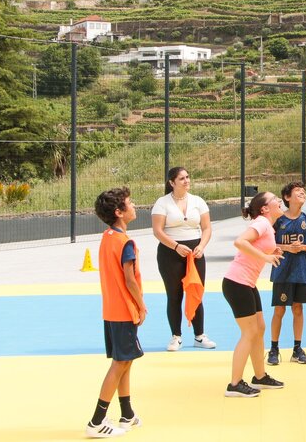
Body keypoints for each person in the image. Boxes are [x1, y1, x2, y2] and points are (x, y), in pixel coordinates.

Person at [86, 186, 148, 438]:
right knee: (120, 362)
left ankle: (127, 414)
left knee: (125, 361)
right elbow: (130, 279)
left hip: (111, 309)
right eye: (130, 203)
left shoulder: (107, 237)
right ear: (119, 212)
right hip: (124, 309)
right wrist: (141, 305)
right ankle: (96, 421)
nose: (134, 206)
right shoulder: (125, 242)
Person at [222, 191, 287, 397]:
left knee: (259, 328)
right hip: (236, 283)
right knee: (249, 333)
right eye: (274, 199)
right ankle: (234, 384)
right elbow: (240, 242)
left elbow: (257, 246)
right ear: (265, 208)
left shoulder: (267, 225)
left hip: (247, 283)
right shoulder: (261, 222)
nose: (278, 201)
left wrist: (271, 252)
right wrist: (266, 258)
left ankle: (260, 377)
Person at [151, 166, 216, 351]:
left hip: (195, 252)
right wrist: (176, 246)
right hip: (170, 253)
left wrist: (201, 246)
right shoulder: (162, 203)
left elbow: (207, 228)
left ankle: (199, 336)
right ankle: (176, 336)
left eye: (188, 177)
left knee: (195, 291)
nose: (186, 181)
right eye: (181, 178)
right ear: (172, 183)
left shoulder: (198, 201)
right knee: (174, 295)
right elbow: (157, 230)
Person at [267, 181, 306, 366]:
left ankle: (297, 349)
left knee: (298, 308)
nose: (302, 193)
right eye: (298, 191)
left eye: (304, 191)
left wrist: (302, 247)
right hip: (282, 272)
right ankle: (274, 348)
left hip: (300, 271)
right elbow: (268, 245)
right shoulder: (278, 221)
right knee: (279, 310)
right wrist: (287, 248)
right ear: (287, 197)